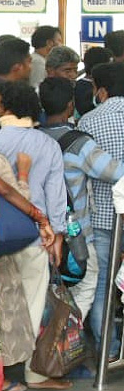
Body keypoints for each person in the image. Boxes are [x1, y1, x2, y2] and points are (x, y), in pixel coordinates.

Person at [0, 82, 68, 390]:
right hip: (36, 235)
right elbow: (55, 194)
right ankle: (33, 372)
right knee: (33, 302)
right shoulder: (47, 144)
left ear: (6, 107)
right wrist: (57, 235)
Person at [38, 77, 124, 329]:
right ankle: (63, 342)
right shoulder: (78, 143)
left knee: (50, 289)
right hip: (76, 233)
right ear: (70, 105)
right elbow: (114, 171)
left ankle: (48, 343)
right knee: (88, 284)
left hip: (40, 230)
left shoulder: (35, 137)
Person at [77, 62, 124, 347]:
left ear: (102, 91)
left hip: (105, 217)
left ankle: (109, 350)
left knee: (103, 286)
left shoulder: (89, 121)